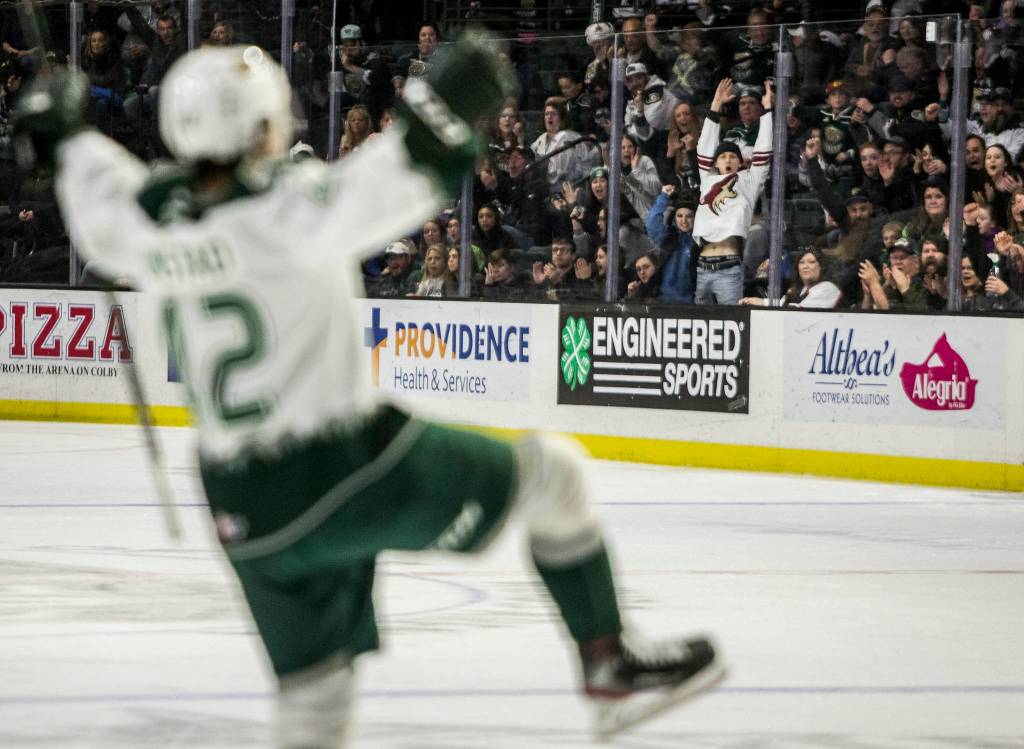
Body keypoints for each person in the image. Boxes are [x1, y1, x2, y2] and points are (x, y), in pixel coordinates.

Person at [15, 39, 723, 747]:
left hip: (240, 508)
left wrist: (64, 135)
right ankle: (608, 666)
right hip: (338, 467)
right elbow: (406, 173)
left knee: (314, 703)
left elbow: (95, 194)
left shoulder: (144, 221)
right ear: (264, 124)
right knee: (554, 477)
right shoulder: (286, 208)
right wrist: (445, 107)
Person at [693, 77, 774, 306]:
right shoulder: (707, 179)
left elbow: (763, 151)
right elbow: (704, 147)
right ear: (716, 163)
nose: (727, 159)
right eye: (723, 156)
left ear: (740, 162)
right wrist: (716, 104)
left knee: (731, 324)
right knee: (701, 329)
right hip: (702, 266)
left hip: (729, 267)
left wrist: (767, 111)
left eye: (732, 156)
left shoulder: (748, 182)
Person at [740, 248, 842, 308]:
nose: (805, 266)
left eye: (811, 262)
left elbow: (799, 310)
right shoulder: (799, 289)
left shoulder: (828, 288)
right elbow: (780, 304)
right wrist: (756, 301)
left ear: (821, 267)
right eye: (801, 263)